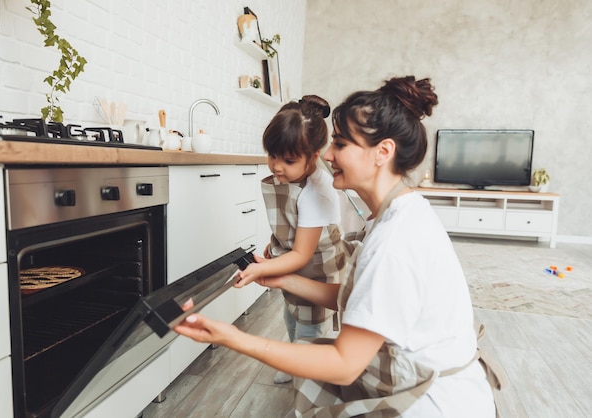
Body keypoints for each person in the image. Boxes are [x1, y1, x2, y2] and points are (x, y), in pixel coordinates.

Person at [174, 76, 502, 417]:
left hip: (431, 403)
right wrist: (282, 279)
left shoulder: (394, 242)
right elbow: (359, 299)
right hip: (416, 381)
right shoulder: (397, 214)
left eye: (341, 144)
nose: (328, 154)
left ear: (383, 152)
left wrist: (235, 338)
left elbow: (345, 363)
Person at [238, 95, 346, 384]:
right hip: (296, 257)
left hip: (316, 268)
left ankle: (306, 380)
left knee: (309, 327)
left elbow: (301, 254)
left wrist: (262, 268)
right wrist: (275, 248)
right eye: (272, 155)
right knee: (291, 314)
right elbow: (289, 228)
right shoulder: (290, 177)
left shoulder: (316, 192)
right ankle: (294, 357)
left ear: (314, 156)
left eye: (288, 160)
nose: (276, 166)